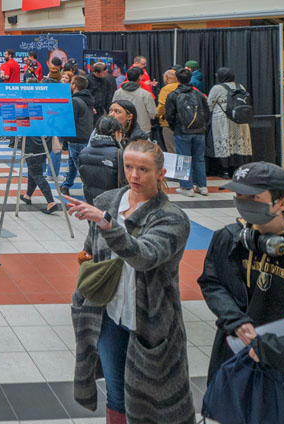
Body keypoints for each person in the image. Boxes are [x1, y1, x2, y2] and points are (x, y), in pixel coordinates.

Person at [68, 140, 194, 424]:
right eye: (128, 167)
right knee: (117, 396)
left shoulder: (172, 219)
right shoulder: (106, 202)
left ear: (161, 173)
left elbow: (144, 256)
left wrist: (107, 225)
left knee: (154, 403)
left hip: (152, 324)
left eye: (143, 169)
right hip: (110, 316)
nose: (134, 175)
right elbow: (91, 250)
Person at [197, 162, 284, 419]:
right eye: (239, 196)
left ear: (282, 203)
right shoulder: (228, 238)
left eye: (253, 197)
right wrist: (235, 320)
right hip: (237, 360)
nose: (243, 202)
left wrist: (270, 348)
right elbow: (211, 282)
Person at [166, 67, 210, 197]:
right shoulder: (198, 94)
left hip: (182, 131)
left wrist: (175, 127)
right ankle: (202, 186)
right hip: (199, 131)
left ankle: (186, 187)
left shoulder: (173, 95)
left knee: (183, 159)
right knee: (199, 159)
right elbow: (206, 113)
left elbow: (170, 115)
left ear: (177, 78)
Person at [207, 67, 253, 178]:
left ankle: (225, 171)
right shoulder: (240, 86)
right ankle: (238, 170)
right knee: (238, 143)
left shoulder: (217, 88)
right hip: (239, 119)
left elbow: (209, 105)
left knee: (224, 143)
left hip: (223, 120)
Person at [76, 116, 125, 205]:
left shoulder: (84, 152)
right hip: (113, 201)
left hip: (92, 200)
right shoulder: (118, 154)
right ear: (116, 133)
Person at [61, 75, 95, 196]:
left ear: (74, 86)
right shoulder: (87, 99)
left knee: (79, 166)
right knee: (72, 163)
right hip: (85, 135)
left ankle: (90, 189)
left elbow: (70, 120)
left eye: (71, 83)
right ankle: (66, 185)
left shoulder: (75, 101)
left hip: (76, 137)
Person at [17, 132, 59, 214]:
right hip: (45, 142)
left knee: (36, 173)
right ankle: (28, 195)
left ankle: (51, 202)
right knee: (33, 169)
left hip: (33, 144)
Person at [112, 68, 157, 135]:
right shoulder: (146, 94)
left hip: (122, 127)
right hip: (142, 128)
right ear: (140, 77)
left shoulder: (118, 93)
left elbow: (113, 109)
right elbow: (152, 113)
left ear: (127, 76)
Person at [156, 68, 179, 153]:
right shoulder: (183, 86)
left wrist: (155, 114)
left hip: (168, 122)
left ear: (166, 77)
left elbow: (163, 106)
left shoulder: (166, 89)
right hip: (184, 123)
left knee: (172, 149)